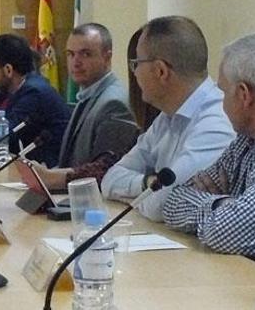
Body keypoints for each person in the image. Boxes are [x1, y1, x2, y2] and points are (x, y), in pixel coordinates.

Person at [164, 32, 255, 267]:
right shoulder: (246, 140)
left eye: (222, 91)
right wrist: (223, 203)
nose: (220, 99)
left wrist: (219, 206)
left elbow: (225, 231)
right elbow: (173, 202)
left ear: (243, 95)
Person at [101, 16, 235, 221]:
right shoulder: (166, 116)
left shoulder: (216, 121)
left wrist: (136, 199)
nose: (134, 73)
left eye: (136, 63)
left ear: (160, 71)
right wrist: (146, 183)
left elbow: (163, 205)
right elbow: (110, 179)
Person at [34, 27, 158, 190]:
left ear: (107, 57)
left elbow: (105, 170)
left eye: (85, 54)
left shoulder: (114, 103)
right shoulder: (89, 95)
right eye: (70, 54)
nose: (76, 62)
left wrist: (52, 177)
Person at [0, 33, 69, 166]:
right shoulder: (14, 90)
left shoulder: (33, 93)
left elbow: (0, 138)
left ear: (8, 70)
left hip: (47, 174)